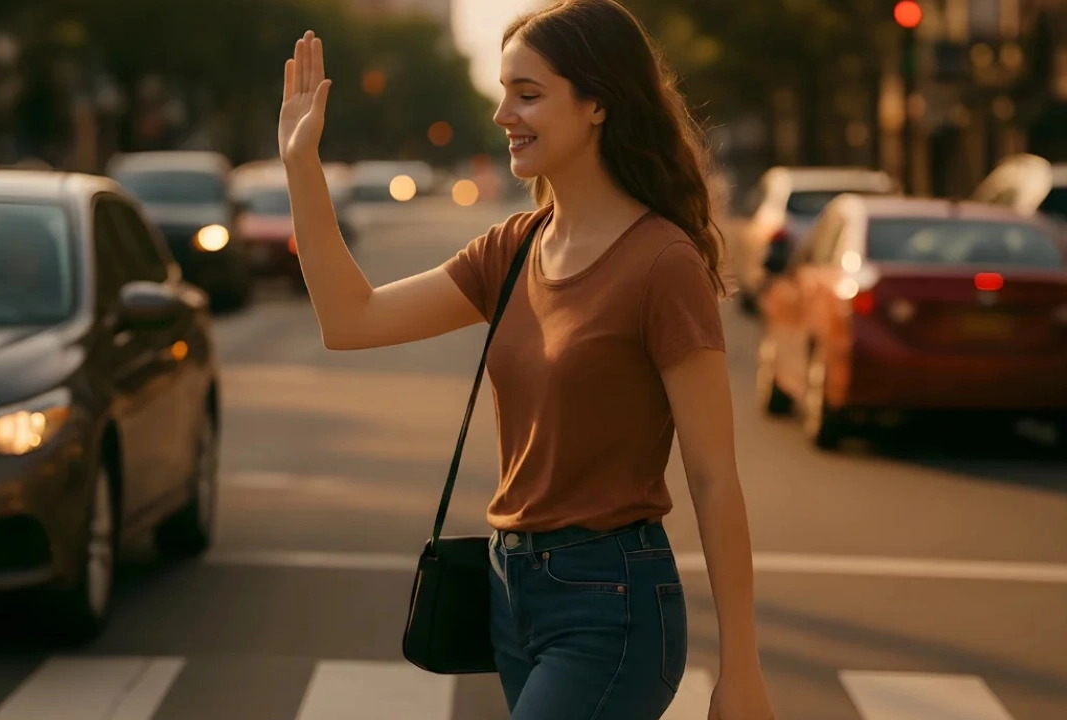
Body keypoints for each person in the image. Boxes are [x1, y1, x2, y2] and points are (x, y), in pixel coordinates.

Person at [276, 1, 774, 718]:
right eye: (505, 91)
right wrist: (301, 166)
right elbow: (349, 320)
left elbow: (714, 478)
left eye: (529, 93)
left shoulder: (664, 264)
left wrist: (742, 666)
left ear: (598, 102)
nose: (505, 113)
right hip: (511, 593)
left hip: (611, 604)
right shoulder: (514, 247)